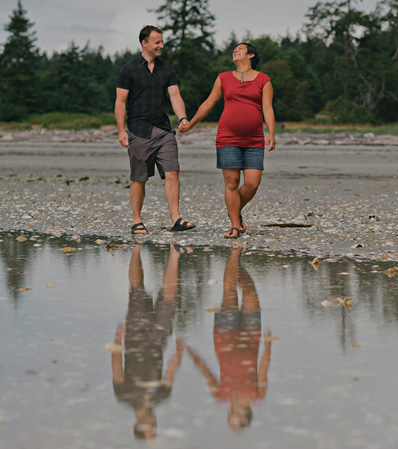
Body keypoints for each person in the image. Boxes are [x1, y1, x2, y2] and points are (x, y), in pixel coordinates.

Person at [180, 42, 275, 239]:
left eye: (240, 49)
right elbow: (208, 104)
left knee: (252, 183)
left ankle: (235, 210)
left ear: (250, 55)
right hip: (227, 137)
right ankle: (235, 225)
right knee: (231, 183)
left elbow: (267, 108)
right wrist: (191, 124)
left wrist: (271, 133)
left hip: (254, 139)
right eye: (234, 49)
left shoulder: (264, 80)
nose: (235, 51)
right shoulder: (223, 78)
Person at [115, 25, 196, 235]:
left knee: (173, 171)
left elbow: (175, 96)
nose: (161, 45)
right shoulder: (128, 69)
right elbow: (120, 102)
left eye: (162, 41)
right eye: (157, 42)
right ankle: (137, 221)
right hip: (138, 131)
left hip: (164, 130)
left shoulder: (167, 69)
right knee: (139, 178)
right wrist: (121, 130)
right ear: (144, 43)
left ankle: (176, 218)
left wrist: (183, 118)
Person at [185, 246, 272, 431]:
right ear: (245, 415)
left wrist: (189, 352)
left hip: (225, 338)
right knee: (250, 291)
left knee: (229, 291)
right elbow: (263, 370)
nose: (234, 412)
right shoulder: (257, 396)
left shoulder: (220, 396)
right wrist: (268, 346)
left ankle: (233, 256)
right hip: (252, 335)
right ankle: (235, 261)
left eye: (232, 417)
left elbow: (206, 373)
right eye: (237, 417)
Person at [111, 243, 187, 439]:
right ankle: (174, 255)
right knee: (170, 298)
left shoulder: (124, 396)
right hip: (159, 340)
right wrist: (179, 352)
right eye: (155, 426)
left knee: (136, 290)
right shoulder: (161, 396)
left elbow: (117, 368)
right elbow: (170, 373)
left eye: (150, 426)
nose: (153, 422)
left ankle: (136, 250)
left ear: (138, 424)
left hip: (135, 338)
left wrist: (118, 336)